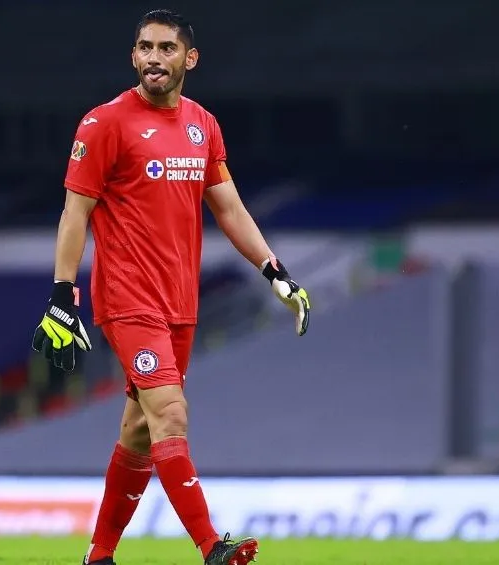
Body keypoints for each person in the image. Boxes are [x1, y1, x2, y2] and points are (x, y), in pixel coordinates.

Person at [31, 9, 311, 565]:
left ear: (190, 58)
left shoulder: (202, 124)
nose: (153, 57)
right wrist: (63, 296)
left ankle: (99, 555)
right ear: (133, 56)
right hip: (128, 298)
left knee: (139, 429)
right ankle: (212, 547)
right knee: (171, 415)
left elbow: (228, 206)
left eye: (165, 48)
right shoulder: (104, 123)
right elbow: (74, 215)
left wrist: (274, 270)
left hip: (180, 302)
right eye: (144, 47)